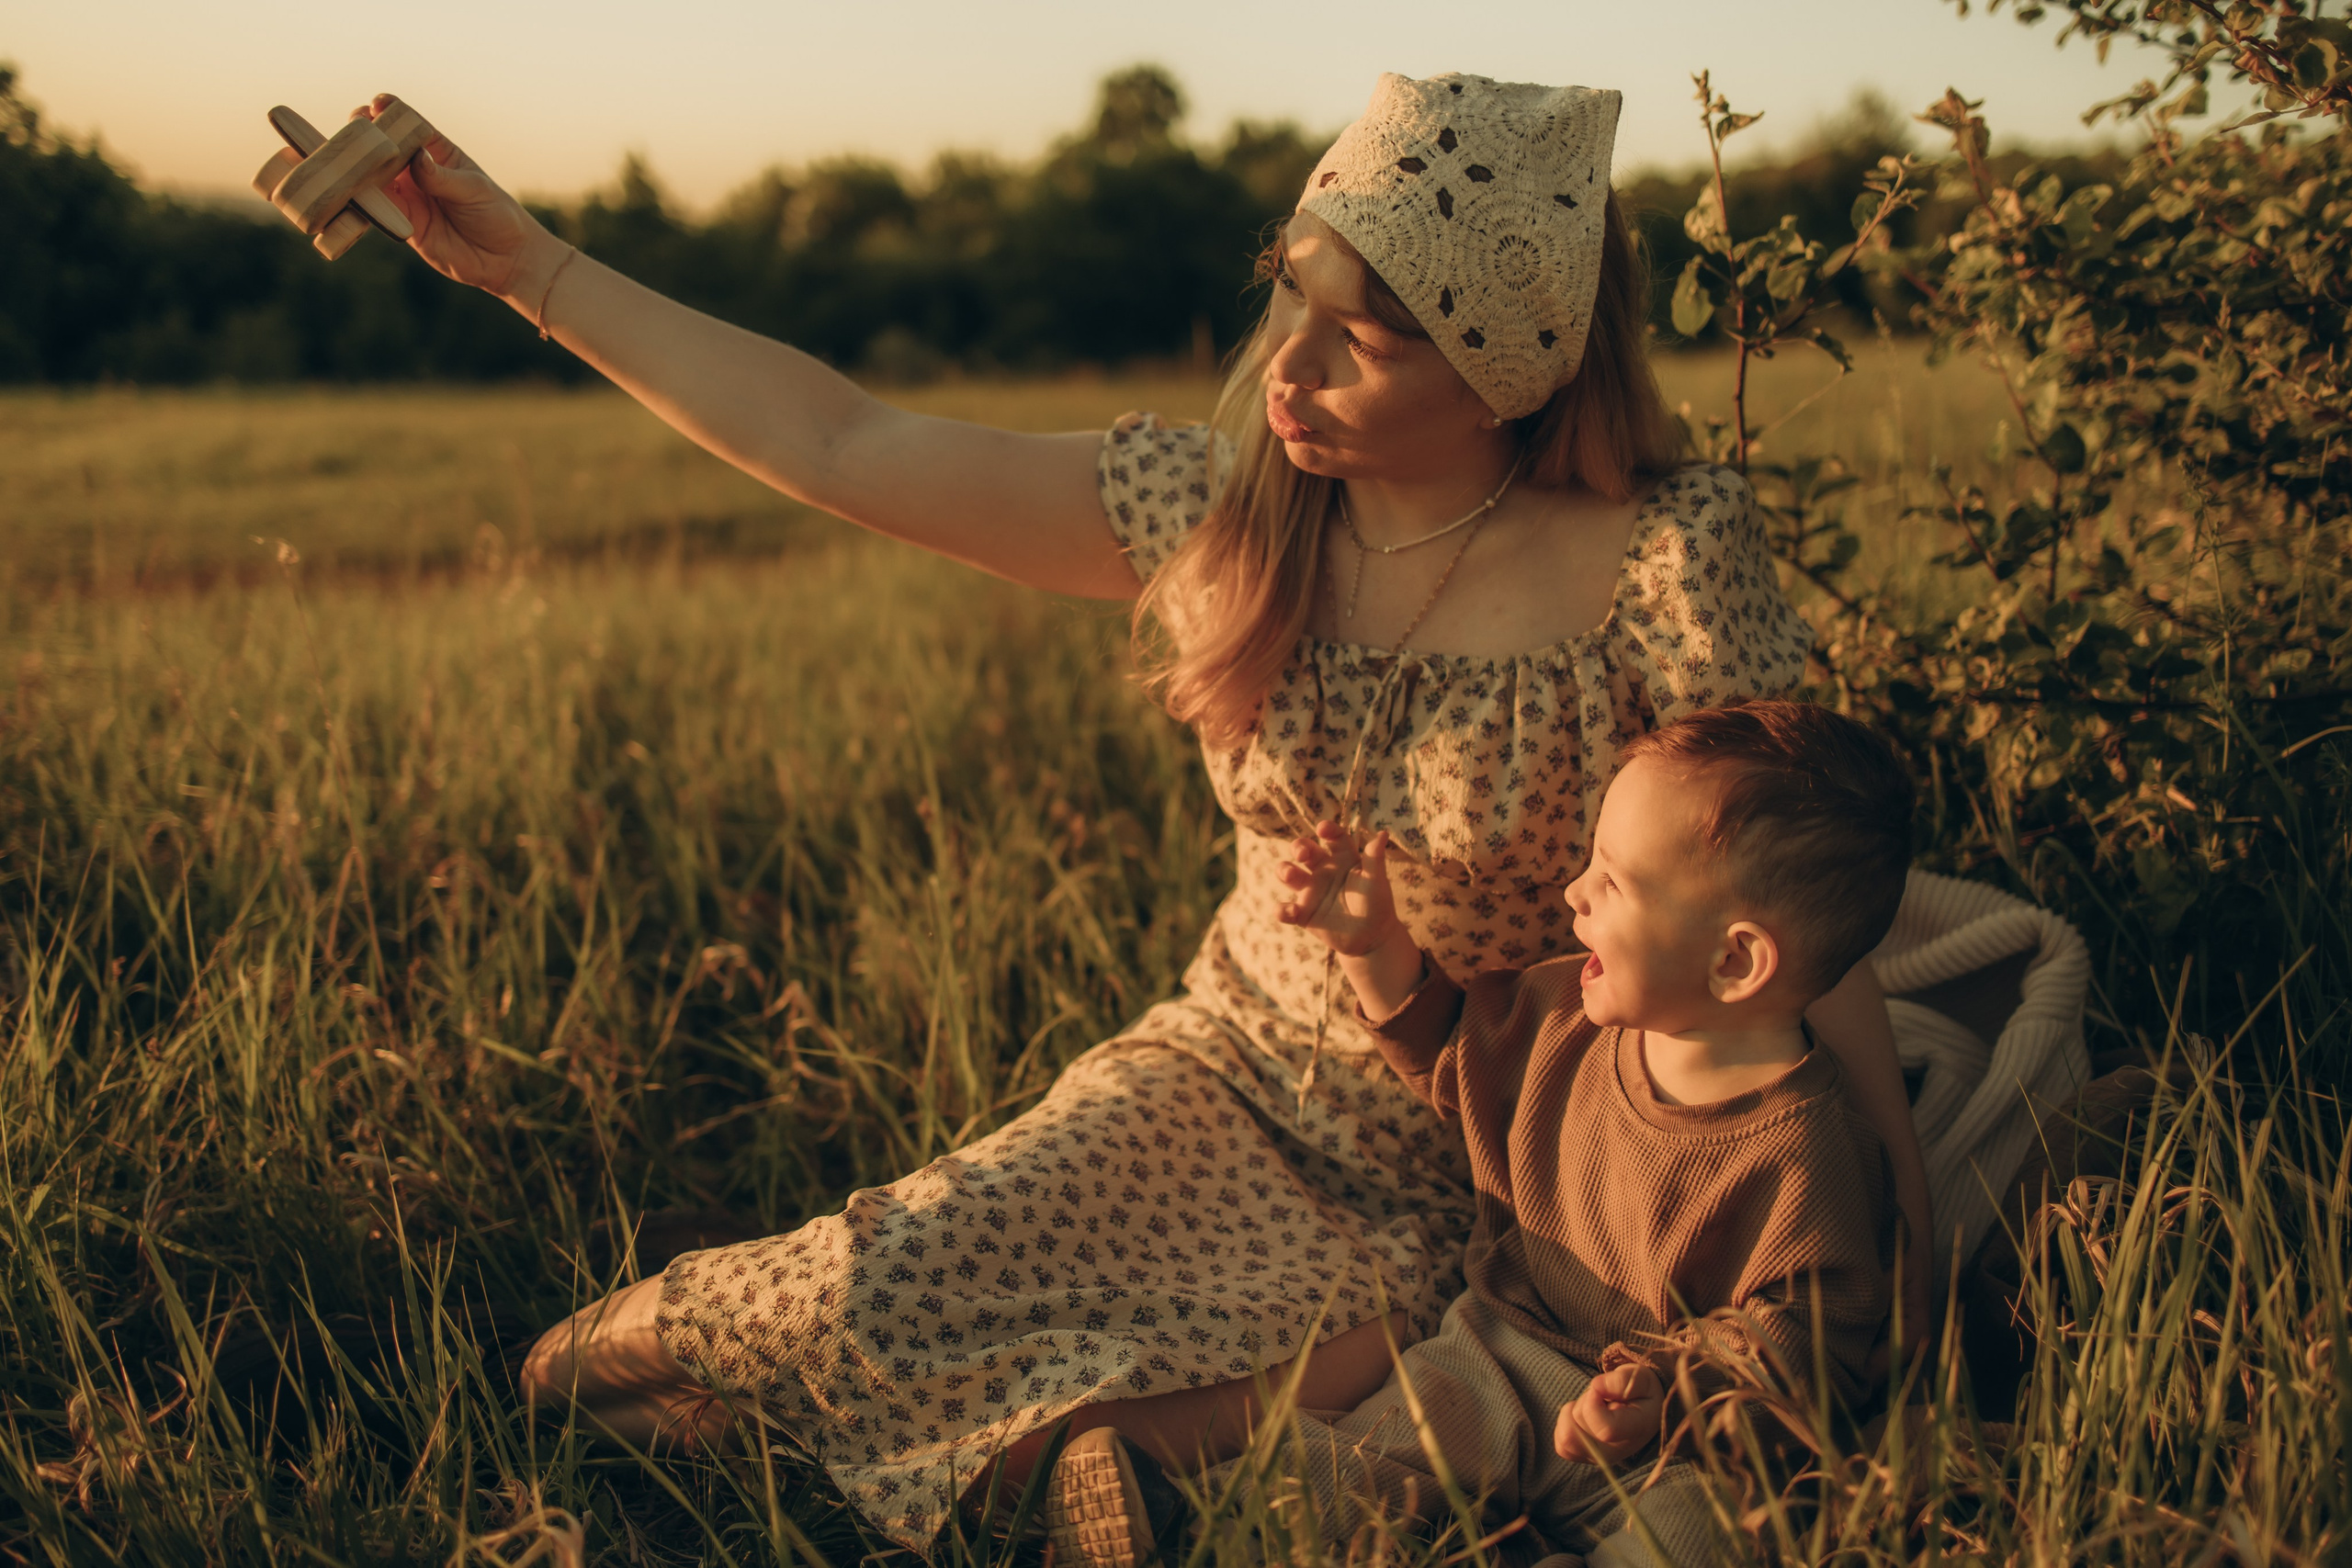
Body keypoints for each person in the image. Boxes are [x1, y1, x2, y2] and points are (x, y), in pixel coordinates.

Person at [364, 69, 1934, 1551]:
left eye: (1364, 339)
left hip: (1507, 1147)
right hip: (1223, 1078)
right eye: (1291, 294)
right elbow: (844, 441)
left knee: (1158, 1430)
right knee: (806, 1314)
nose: (1292, 368)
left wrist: (1906, 1234)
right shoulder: (1223, 511)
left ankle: (1169, 1472)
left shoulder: (1661, 557)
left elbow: (1777, 892)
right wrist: (534, 271)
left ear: (1507, 372)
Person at [1044, 699, 1905, 1568]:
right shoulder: (1567, 1015)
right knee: (1380, 1444)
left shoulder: (1805, 1152)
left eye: (1613, 881)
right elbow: (1452, 1047)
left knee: (1704, 1537)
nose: (1576, 891)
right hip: (1505, 1352)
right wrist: (1372, 942)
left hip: (1667, 1445)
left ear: (1735, 961)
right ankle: (1188, 1518)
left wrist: (1672, 1395)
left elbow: (1806, 1344)